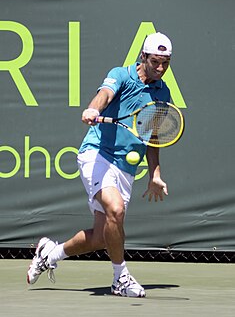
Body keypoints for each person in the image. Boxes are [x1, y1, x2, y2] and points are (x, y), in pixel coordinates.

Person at [27, 32, 172, 298]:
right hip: (97, 154)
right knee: (116, 210)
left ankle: (50, 253)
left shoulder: (163, 92)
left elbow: (153, 137)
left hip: (126, 168)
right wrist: (93, 109)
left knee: (102, 237)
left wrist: (155, 174)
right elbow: (104, 95)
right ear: (143, 57)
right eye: (155, 62)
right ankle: (120, 279)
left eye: (165, 63)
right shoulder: (121, 75)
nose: (160, 68)